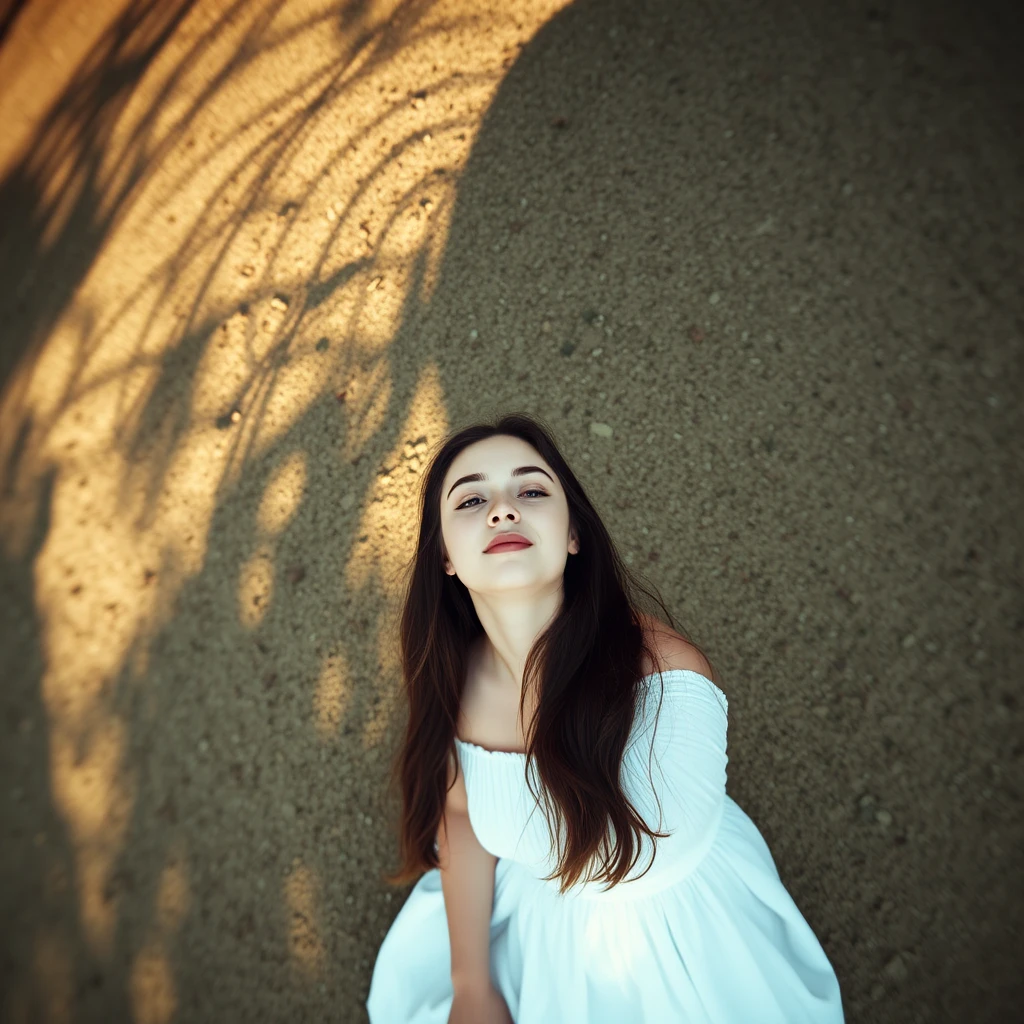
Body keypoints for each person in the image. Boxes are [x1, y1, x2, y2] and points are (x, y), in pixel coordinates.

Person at [366, 413, 845, 1023]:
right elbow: (459, 815)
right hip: (552, 936)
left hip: (683, 936)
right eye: (472, 499)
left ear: (573, 535)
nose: (503, 510)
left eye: (532, 490)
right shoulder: (458, 684)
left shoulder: (663, 673)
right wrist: (471, 984)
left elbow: (653, 856)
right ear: (446, 560)